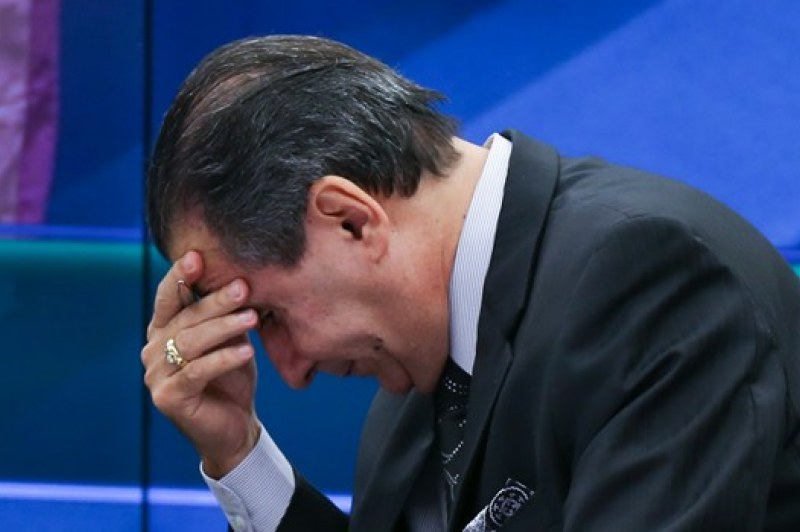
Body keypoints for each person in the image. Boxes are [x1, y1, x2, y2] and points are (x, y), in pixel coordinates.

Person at [141, 35, 800, 531]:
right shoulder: (417, 372)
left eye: (270, 316)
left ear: (349, 219)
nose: (290, 372)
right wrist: (239, 453)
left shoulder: (651, 280)